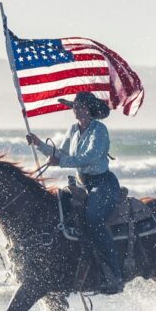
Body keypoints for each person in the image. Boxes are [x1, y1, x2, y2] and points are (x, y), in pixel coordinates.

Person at [25, 92, 124, 294]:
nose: (75, 109)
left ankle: (115, 273)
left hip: (103, 183)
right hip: (82, 183)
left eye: (79, 106)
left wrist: (60, 161)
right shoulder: (73, 129)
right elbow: (61, 153)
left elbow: (89, 157)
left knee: (93, 218)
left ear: (89, 109)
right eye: (74, 106)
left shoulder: (100, 130)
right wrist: (38, 144)